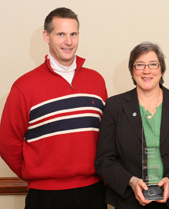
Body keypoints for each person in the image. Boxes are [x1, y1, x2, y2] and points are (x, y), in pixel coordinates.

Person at [0, 7, 107, 209]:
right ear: (46, 36)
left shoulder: (96, 81)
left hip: (93, 191)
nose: (68, 41)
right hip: (45, 196)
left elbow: (107, 134)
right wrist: (32, 171)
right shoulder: (24, 86)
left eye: (73, 34)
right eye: (61, 34)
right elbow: (7, 142)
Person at [95, 41, 169, 209]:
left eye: (153, 64)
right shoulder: (115, 106)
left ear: (161, 69)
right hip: (130, 201)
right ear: (132, 71)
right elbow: (104, 160)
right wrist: (131, 182)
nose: (146, 70)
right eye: (139, 65)